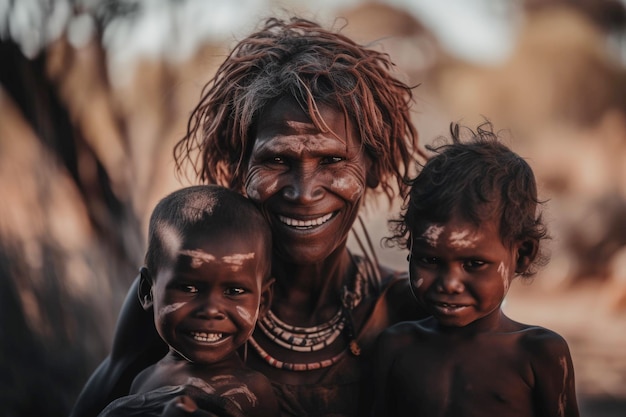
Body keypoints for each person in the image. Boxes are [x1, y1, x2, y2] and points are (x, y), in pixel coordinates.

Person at [71, 16, 428, 417]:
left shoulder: (408, 309)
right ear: (238, 167)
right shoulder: (179, 295)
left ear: (374, 167)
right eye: (276, 159)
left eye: (332, 160)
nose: (303, 191)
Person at [370, 122, 580, 417]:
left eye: (474, 264)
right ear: (411, 249)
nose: (450, 283)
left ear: (522, 255)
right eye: (430, 260)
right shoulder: (395, 347)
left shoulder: (538, 353)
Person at [98, 185, 279, 417]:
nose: (211, 310)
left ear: (262, 302)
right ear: (147, 291)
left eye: (234, 291)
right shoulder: (144, 378)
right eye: (189, 288)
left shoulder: (253, 392)